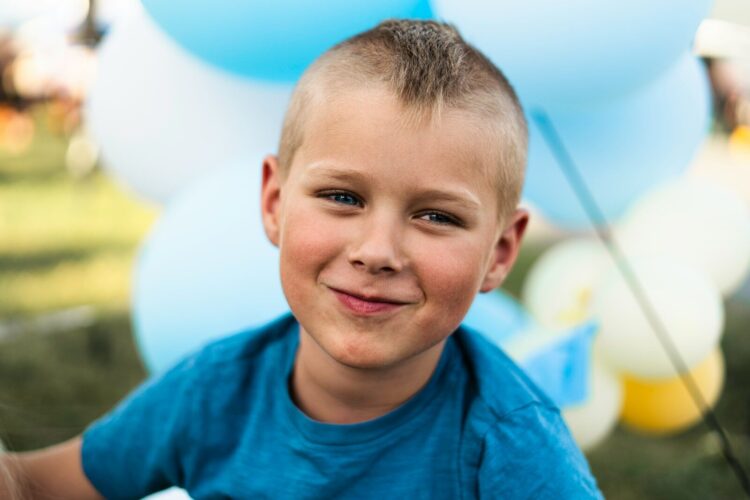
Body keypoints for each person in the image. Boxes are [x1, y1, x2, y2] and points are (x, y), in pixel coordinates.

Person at [1, 20, 603, 499]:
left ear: (499, 252)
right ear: (274, 202)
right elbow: (38, 488)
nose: (377, 252)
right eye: (343, 197)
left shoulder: (513, 452)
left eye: (436, 216)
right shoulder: (214, 392)